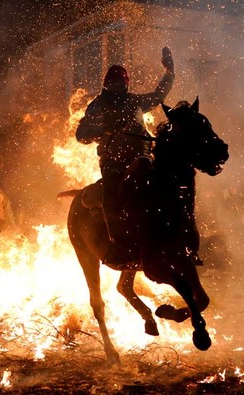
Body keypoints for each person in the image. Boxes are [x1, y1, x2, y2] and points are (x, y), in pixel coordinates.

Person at [76, 46, 175, 265]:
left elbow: (159, 96)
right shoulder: (97, 107)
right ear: (106, 85)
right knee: (110, 197)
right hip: (114, 163)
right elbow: (81, 134)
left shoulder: (134, 101)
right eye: (114, 85)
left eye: (121, 84)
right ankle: (117, 246)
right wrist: (105, 131)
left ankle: (178, 238)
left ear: (127, 84)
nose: (118, 88)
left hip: (145, 159)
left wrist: (170, 73)